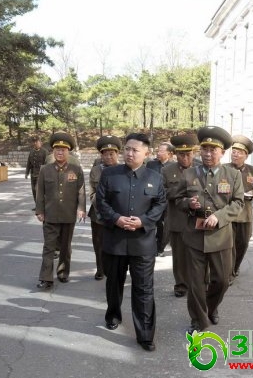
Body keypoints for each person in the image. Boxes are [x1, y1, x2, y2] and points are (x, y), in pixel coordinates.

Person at [96, 133, 166, 352]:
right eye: (127, 149)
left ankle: (145, 334)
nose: (129, 153)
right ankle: (113, 315)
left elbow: (160, 204)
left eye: (135, 150)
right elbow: (101, 201)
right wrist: (116, 218)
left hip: (142, 242)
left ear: (146, 153)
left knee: (144, 289)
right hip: (115, 241)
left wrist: (143, 221)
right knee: (113, 283)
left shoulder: (155, 177)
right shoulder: (110, 174)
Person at [173, 126, 244, 333]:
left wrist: (218, 217)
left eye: (213, 150)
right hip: (194, 236)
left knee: (222, 281)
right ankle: (198, 320)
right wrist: (188, 203)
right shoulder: (189, 174)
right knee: (195, 283)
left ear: (222, 152)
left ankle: (210, 308)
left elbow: (238, 203)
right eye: (205, 149)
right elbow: (177, 200)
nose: (208, 153)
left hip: (220, 236)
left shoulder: (232, 175)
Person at [35, 132, 86, 289]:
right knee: (48, 247)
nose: (60, 152)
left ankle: (63, 273)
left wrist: (81, 209)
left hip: (68, 215)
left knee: (65, 247)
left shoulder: (76, 169)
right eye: (57, 149)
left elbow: (81, 191)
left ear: (68, 151)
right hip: (50, 215)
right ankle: (46, 278)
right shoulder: (45, 170)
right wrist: (39, 211)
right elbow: (40, 192)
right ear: (53, 151)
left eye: (63, 150)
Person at [161, 133, 199, 298]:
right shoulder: (167, 171)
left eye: (188, 154)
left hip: (198, 219)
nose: (185, 158)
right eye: (181, 154)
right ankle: (181, 285)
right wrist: (182, 191)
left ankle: (197, 284)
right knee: (179, 256)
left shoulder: (201, 168)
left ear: (193, 153)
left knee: (197, 255)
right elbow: (162, 193)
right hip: (177, 219)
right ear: (175, 154)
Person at [227, 135, 253, 284]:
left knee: (243, 244)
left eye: (239, 152)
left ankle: (235, 267)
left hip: (245, 215)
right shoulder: (224, 169)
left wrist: (252, 194)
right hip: (228, 214)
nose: (235, 154)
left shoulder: (252, 170)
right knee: (229, 245)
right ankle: (229, 273)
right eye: (234, 151)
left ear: (246, 155)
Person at [88, 135, 122, 280]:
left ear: (117, 154)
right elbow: (92, 193)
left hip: (118, 214)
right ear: (101, 155)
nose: (108, 157)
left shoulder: (124, 169)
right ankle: (100, 269)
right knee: (99, 243)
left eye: (111, 153)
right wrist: (101, 205)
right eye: (105, 154)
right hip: (98, 214)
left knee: (117, 244)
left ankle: (115, 269)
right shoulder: (96, 170)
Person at [147, 142, 176, 257]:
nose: (158, 153)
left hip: (167, 200)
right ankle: (151, 246)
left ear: (170, 154)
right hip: (152, 198)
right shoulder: (151, 164)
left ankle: (160, 247)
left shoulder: (174, 167)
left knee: (164, 226)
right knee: (153, 222)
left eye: (161, 151)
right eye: (158, 150)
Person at [25, 136, 47, 210]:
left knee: (38, 189)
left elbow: (47, 163)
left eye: (37, 142)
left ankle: (41, 206)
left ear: (40, 142)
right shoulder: (31, 152)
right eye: (34, 142)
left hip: (41, 174)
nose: (35, 143)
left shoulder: (44, 152)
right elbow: (29, 163)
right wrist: (27, 172)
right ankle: (37, 205)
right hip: (33, 174)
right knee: (33, 190)